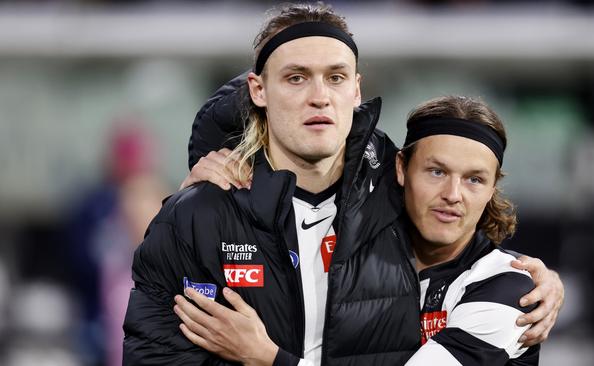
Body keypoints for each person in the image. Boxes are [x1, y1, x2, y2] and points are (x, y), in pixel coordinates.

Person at [124, 2, 563, 366]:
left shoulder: (391, 199)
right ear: (257, 90)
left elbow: (463, 242)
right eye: (296, 77)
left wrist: (532, 274)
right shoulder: (197, 217)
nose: (320, 96)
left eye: (335, 77)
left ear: (355, 90)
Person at [397, 96, 539, 365]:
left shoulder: (508, 286)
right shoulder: (358, 261)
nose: (453, 195)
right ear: (402, 168)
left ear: (491, 189)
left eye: (474, 179)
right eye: (437, 172)